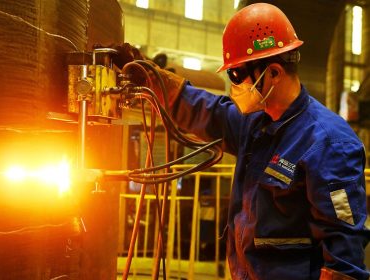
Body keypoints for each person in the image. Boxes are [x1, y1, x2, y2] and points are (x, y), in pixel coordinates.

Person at [116, 2, 370, 279]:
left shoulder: (329, 143)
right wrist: (151, 78)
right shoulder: (257, 124)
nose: (235, 85)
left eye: (237, 74)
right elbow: (206, 111)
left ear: (273, 72)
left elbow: (344, 255)